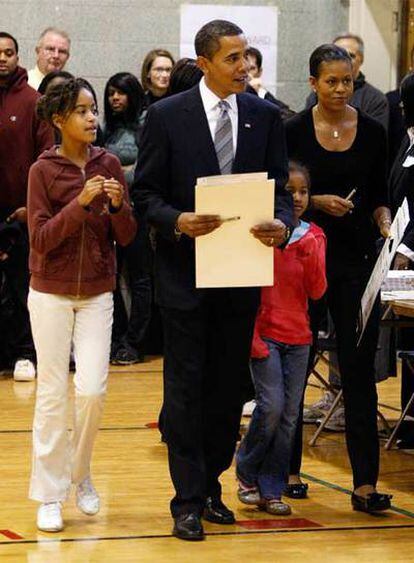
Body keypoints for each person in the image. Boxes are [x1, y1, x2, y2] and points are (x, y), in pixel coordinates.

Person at [133, 19, 293, 541]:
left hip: (242, 275)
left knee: (227, 392)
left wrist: (283, 225)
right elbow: (146, 196)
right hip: (184, 277)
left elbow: (282, 196)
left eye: (246, 56)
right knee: (184, 392)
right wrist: (177, 220)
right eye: (232, 58)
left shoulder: (265, 117)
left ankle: (212, 487)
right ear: (204, 63)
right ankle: (186, 500)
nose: (244, 66)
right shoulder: (164, 116)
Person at [286, 43, 392, 513]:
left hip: (354, 261)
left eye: (346, 80)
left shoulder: (372, 132)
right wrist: (319, 201)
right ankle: (286, 470)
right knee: (296, 364)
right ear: (312, 84)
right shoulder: (290, 132)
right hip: (302, 259)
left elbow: (380, 196)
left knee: (358, 369)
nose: (340, 88)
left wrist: (385, 220)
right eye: (330, 81)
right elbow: (281, 194)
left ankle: (365, 482)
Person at [27, 77, 136, 532]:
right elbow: (41, 239)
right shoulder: (43, 171)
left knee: (91, 391)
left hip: (97, 292)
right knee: (53, 395)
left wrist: (115, 208)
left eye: (94, 110)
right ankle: (50, 494)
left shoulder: (109, 162)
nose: (93, 118)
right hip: (49, 292)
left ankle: (81, 475)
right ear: (58, 119)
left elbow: (127, 237)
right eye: (82, 111)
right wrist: (81, 202)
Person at [236, 161, 326, 515]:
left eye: (304, 191)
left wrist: (312, 255)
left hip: (299, 338)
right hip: (266, 335)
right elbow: (249, 289)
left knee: (290, 415)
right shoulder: (261, 234)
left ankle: (272, 487)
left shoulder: (315, 235)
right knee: (271, 406)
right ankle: (246, 470)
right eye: (290, 192)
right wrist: (253, 335)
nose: (298, 198)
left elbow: (317, 292)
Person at [0, 31, 54, 380]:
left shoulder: (34, 102)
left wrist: (30, 208)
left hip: (20, 214)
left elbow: (46, 160)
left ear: (19, 57)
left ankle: (25, 354)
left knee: (23, 288)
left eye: (8, 52)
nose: (2, 58)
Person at [102, 72, 150, 364]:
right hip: (110, 210)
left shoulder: (146, 123)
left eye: (120, 93)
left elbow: (145, 168)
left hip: (139, 211)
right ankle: (118, 337)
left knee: (139, 278)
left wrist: (116, 173)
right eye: (110, 93)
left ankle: (135, 341)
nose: (115, 98)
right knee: (112, 276)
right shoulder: (108, 128)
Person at [388, 72, 414, 448]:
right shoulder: (407, 144)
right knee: (408, 336)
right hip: (398, 251)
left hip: (408, 254)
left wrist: (407, 249)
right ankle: (409, 423)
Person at [305, 33, 388, 131]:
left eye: (350, 56)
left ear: (361, 58)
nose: (342, 61)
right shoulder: (317, 95)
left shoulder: (375, 99)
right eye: (336, 55)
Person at [245, 46, 295, 120]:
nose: (247, 75)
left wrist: (260, 93)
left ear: (259, 72)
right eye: (244, 68)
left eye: (252, 69)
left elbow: (290, 118)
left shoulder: (264, 96)